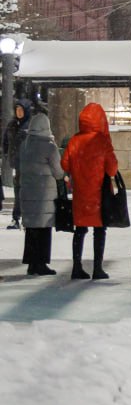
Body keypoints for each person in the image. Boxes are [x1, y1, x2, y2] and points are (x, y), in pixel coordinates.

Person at [61, 102, 119, 280]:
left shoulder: (74, 140)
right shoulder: (102, 141)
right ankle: (97, 268)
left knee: (80, 229)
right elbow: (112, 169)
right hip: (99, 194)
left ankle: (77, 266)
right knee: (99, 230)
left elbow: (65, 164)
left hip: (81, 193)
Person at [18, 109, 63, 276]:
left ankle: (31, 263)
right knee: (44, 230)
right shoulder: (49, 147)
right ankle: (41, 263)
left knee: (31, 230)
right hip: (44, 195)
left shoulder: (25, 145)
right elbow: (58, 172)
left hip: (28, 193)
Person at [4, 99, 31, 229]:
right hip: (17, 163)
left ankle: (22, 217)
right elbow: (6, 140)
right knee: (18, 191)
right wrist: (7, 152)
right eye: (17, 110)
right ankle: (17, 217)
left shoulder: (29, 125)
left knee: (24, 192)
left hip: (28, 165)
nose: (19, 112)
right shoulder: (12, 125)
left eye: (21, 110)